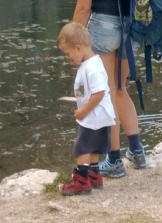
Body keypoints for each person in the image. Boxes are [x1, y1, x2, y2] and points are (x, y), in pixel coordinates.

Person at [72, 0, 146, 177]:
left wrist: (73, 41)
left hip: (102, 30)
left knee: (105, 95)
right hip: (130, 30)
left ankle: (114, 159)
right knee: (120, 88)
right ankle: (137, 152)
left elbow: (82, 7)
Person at [57, 22, 116, 195]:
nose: (68, 58)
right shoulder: (90, 64)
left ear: (78, 47)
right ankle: (94, 174)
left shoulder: (93, 68)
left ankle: (81, 181)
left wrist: (83, 111)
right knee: (94, 147)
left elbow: (99, 93)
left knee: (82, 148)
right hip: (99, 116)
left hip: (94, 116)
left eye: (68, 54)